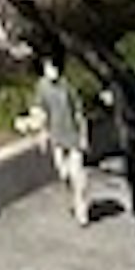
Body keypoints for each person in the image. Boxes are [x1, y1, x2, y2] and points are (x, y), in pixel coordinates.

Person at [33, 59, 95, 225]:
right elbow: (41, 112)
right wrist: (42, 135)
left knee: (77, 175)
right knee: (64, 174)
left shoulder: (67, 86)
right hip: (57, 138)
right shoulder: (42, 87)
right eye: (47, 68)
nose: (51, 71)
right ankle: (74, 198)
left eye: (53, 67)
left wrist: (83, 135)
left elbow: (78, 112)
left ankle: (82, 211)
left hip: (72, 136)